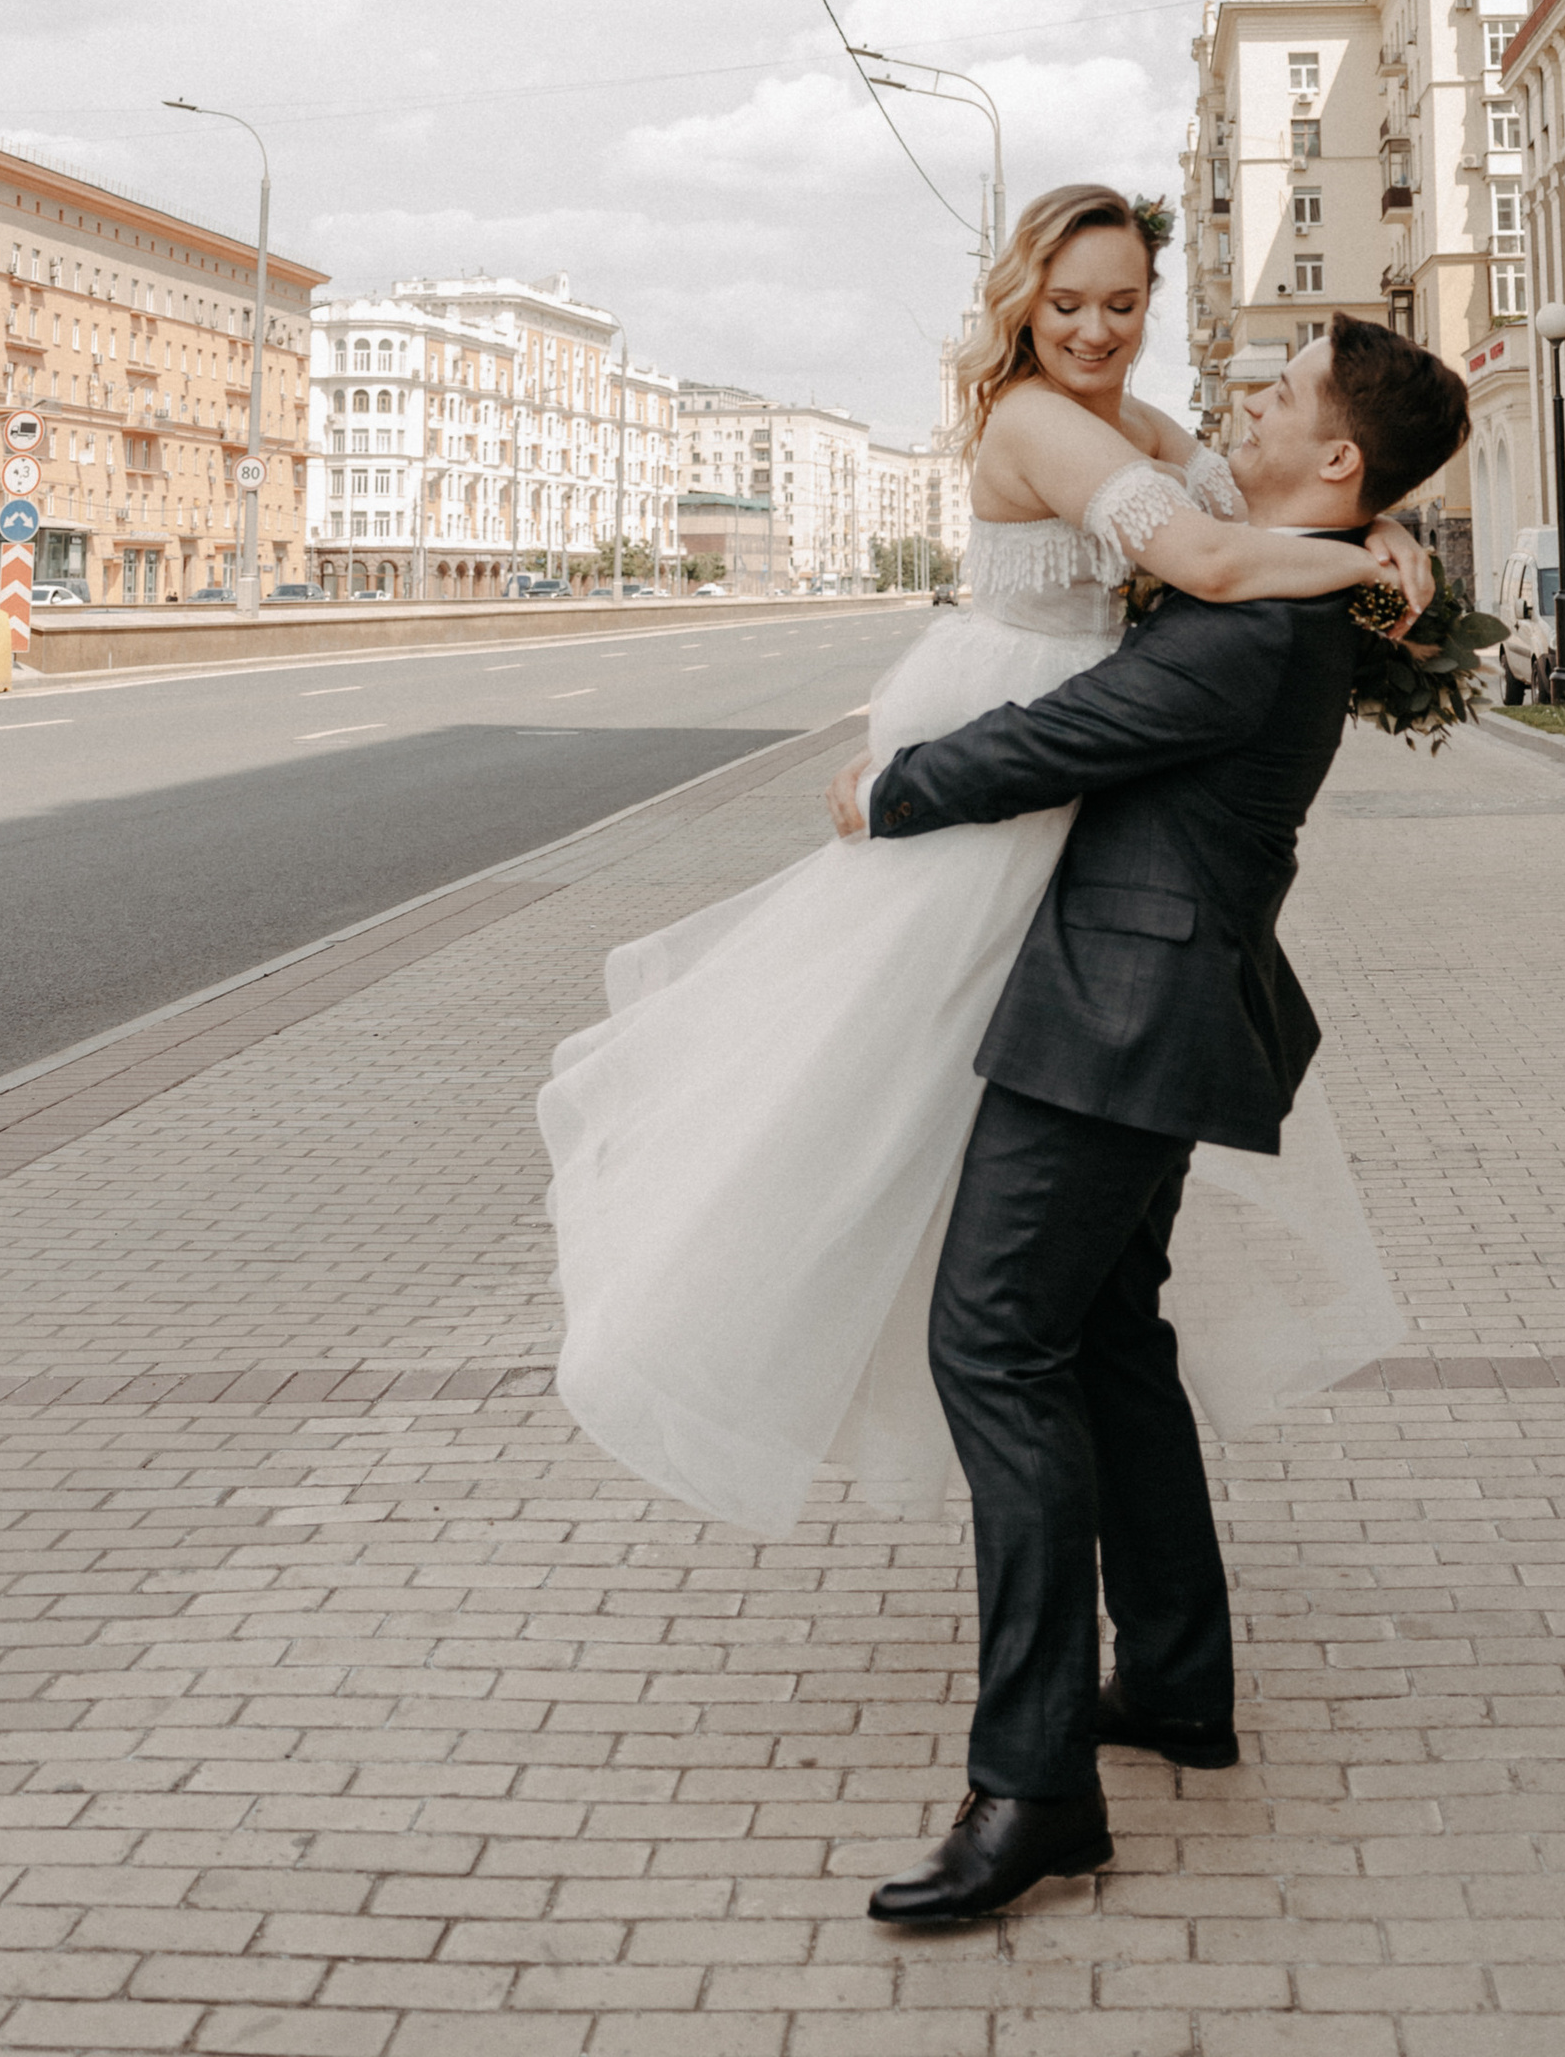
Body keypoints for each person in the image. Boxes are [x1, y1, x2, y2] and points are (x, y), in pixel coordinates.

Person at [539, 183, 1431, 1565]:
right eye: (1064, 302)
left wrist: (1380, 534)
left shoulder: (1153, 431)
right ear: (1022, 300)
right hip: (1012, 740)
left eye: (1122, 304)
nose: (1092, 328)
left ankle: (1125, 1658)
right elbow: (1205, 552)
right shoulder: (1030, 418)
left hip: (1093, 772)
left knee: (1052, 1254)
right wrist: (1350, 567)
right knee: (882, 1082)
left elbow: (1263, 507)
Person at [839, 302, 1470, 1932]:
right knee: (1107, 1341)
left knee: (993, 1348)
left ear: (1334, 458)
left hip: (1112, 1031)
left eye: (1284, 394)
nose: (1244, 402)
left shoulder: (1249, 627)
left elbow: (1067, 737)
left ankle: (1037, 1787)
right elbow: (1176, 526)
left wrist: (888, 789)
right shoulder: (1272, 576)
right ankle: (1178, 1683)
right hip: (1160, 1014)